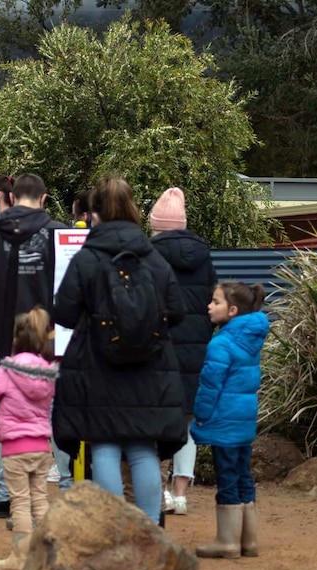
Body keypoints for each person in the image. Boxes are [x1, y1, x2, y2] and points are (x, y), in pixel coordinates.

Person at [52, 176, 187, 523]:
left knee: (105, 446)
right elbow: (178, 311)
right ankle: (150, 532)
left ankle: (114, 529)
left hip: (97, 366)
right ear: (133, 210)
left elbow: (64, 312)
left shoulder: (87, 258)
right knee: (143, 449)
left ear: (94, 213)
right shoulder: (153, 257)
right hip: (150, 367)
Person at [0, 173, 66, 517]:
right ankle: (67, 490)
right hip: (52, 336)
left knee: (8, 411)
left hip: (7, 334)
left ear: (11, 196)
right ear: (43, 198)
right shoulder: (60, 233)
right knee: (57, 410)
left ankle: (6, 493)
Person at [149, 187, 218, 515]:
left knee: (158, 420)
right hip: (197, 347)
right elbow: (212, 300)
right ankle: (180, 494)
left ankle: (160, 490)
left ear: (156, 224)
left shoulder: (148, 254)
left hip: (161, 347)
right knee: (188, 421)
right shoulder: (203, 255)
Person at [0, 307, 57, 570]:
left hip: (14, 449)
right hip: (42, 447)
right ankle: (46, 557)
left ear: (16, 339)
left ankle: (20, 558)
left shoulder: (8, 370)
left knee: (20, 503)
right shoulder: (48, 372)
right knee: (40, 500)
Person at [193, 282, 268, 559]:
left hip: (223, 420)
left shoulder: (222, 342)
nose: (209, 307)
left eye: (216, 302)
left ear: (233, 310)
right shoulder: (250, 340)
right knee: (242, 475)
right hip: (243, 420)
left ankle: (227, 541)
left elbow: (210, 385)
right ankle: (248, 540)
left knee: (226, 477)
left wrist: (201, 416)